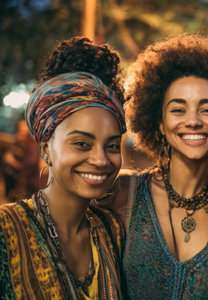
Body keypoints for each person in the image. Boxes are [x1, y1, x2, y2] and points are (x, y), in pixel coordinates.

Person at [102, 34, 208, 299]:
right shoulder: (124, 193)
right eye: (178, 110)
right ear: (159, 122)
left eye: (207, 110)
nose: (193, 121)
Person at [0, 37, 127, 299]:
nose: (101, 160)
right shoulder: (6, 230)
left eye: (112, 146)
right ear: (46, 148)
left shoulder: (111, 230)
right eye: (81, 143)